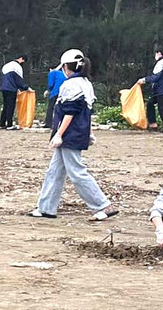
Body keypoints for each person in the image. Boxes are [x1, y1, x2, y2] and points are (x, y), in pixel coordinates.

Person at [31, 49, 115, 221]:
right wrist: (89, 132)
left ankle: (102, 205)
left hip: (70, 135)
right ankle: (46, 208)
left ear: (65, 67)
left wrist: (59, 134)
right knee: (54, 171)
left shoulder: (70, 85)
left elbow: (69, 112)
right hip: (77, 132)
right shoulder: (86, 83)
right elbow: (87, 111)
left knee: (76, 171)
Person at [139, 49, 163, 133]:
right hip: (159, 89)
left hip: (162, 88)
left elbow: (157, 76)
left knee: (162, 107)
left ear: (159, 53)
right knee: (150, 104)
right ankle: (152, 124)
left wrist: (145, 80)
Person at [0, 55, 30, 129]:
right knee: (11, 106)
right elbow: (19, 81)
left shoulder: (6, 65)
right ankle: (9, 124)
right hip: (11, 89)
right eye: (23, 61)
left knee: (5, 106)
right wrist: (26, 88)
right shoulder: (17, 67)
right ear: (21, 59)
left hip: (4, 88)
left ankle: (2, 124)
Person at [43, 63, 66, 129]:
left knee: (51, 107)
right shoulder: (63, 73)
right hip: (64, 92)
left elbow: (51, 83)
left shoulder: (52, 72)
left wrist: (48, 90)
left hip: (55, 92)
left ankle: (48, 123)